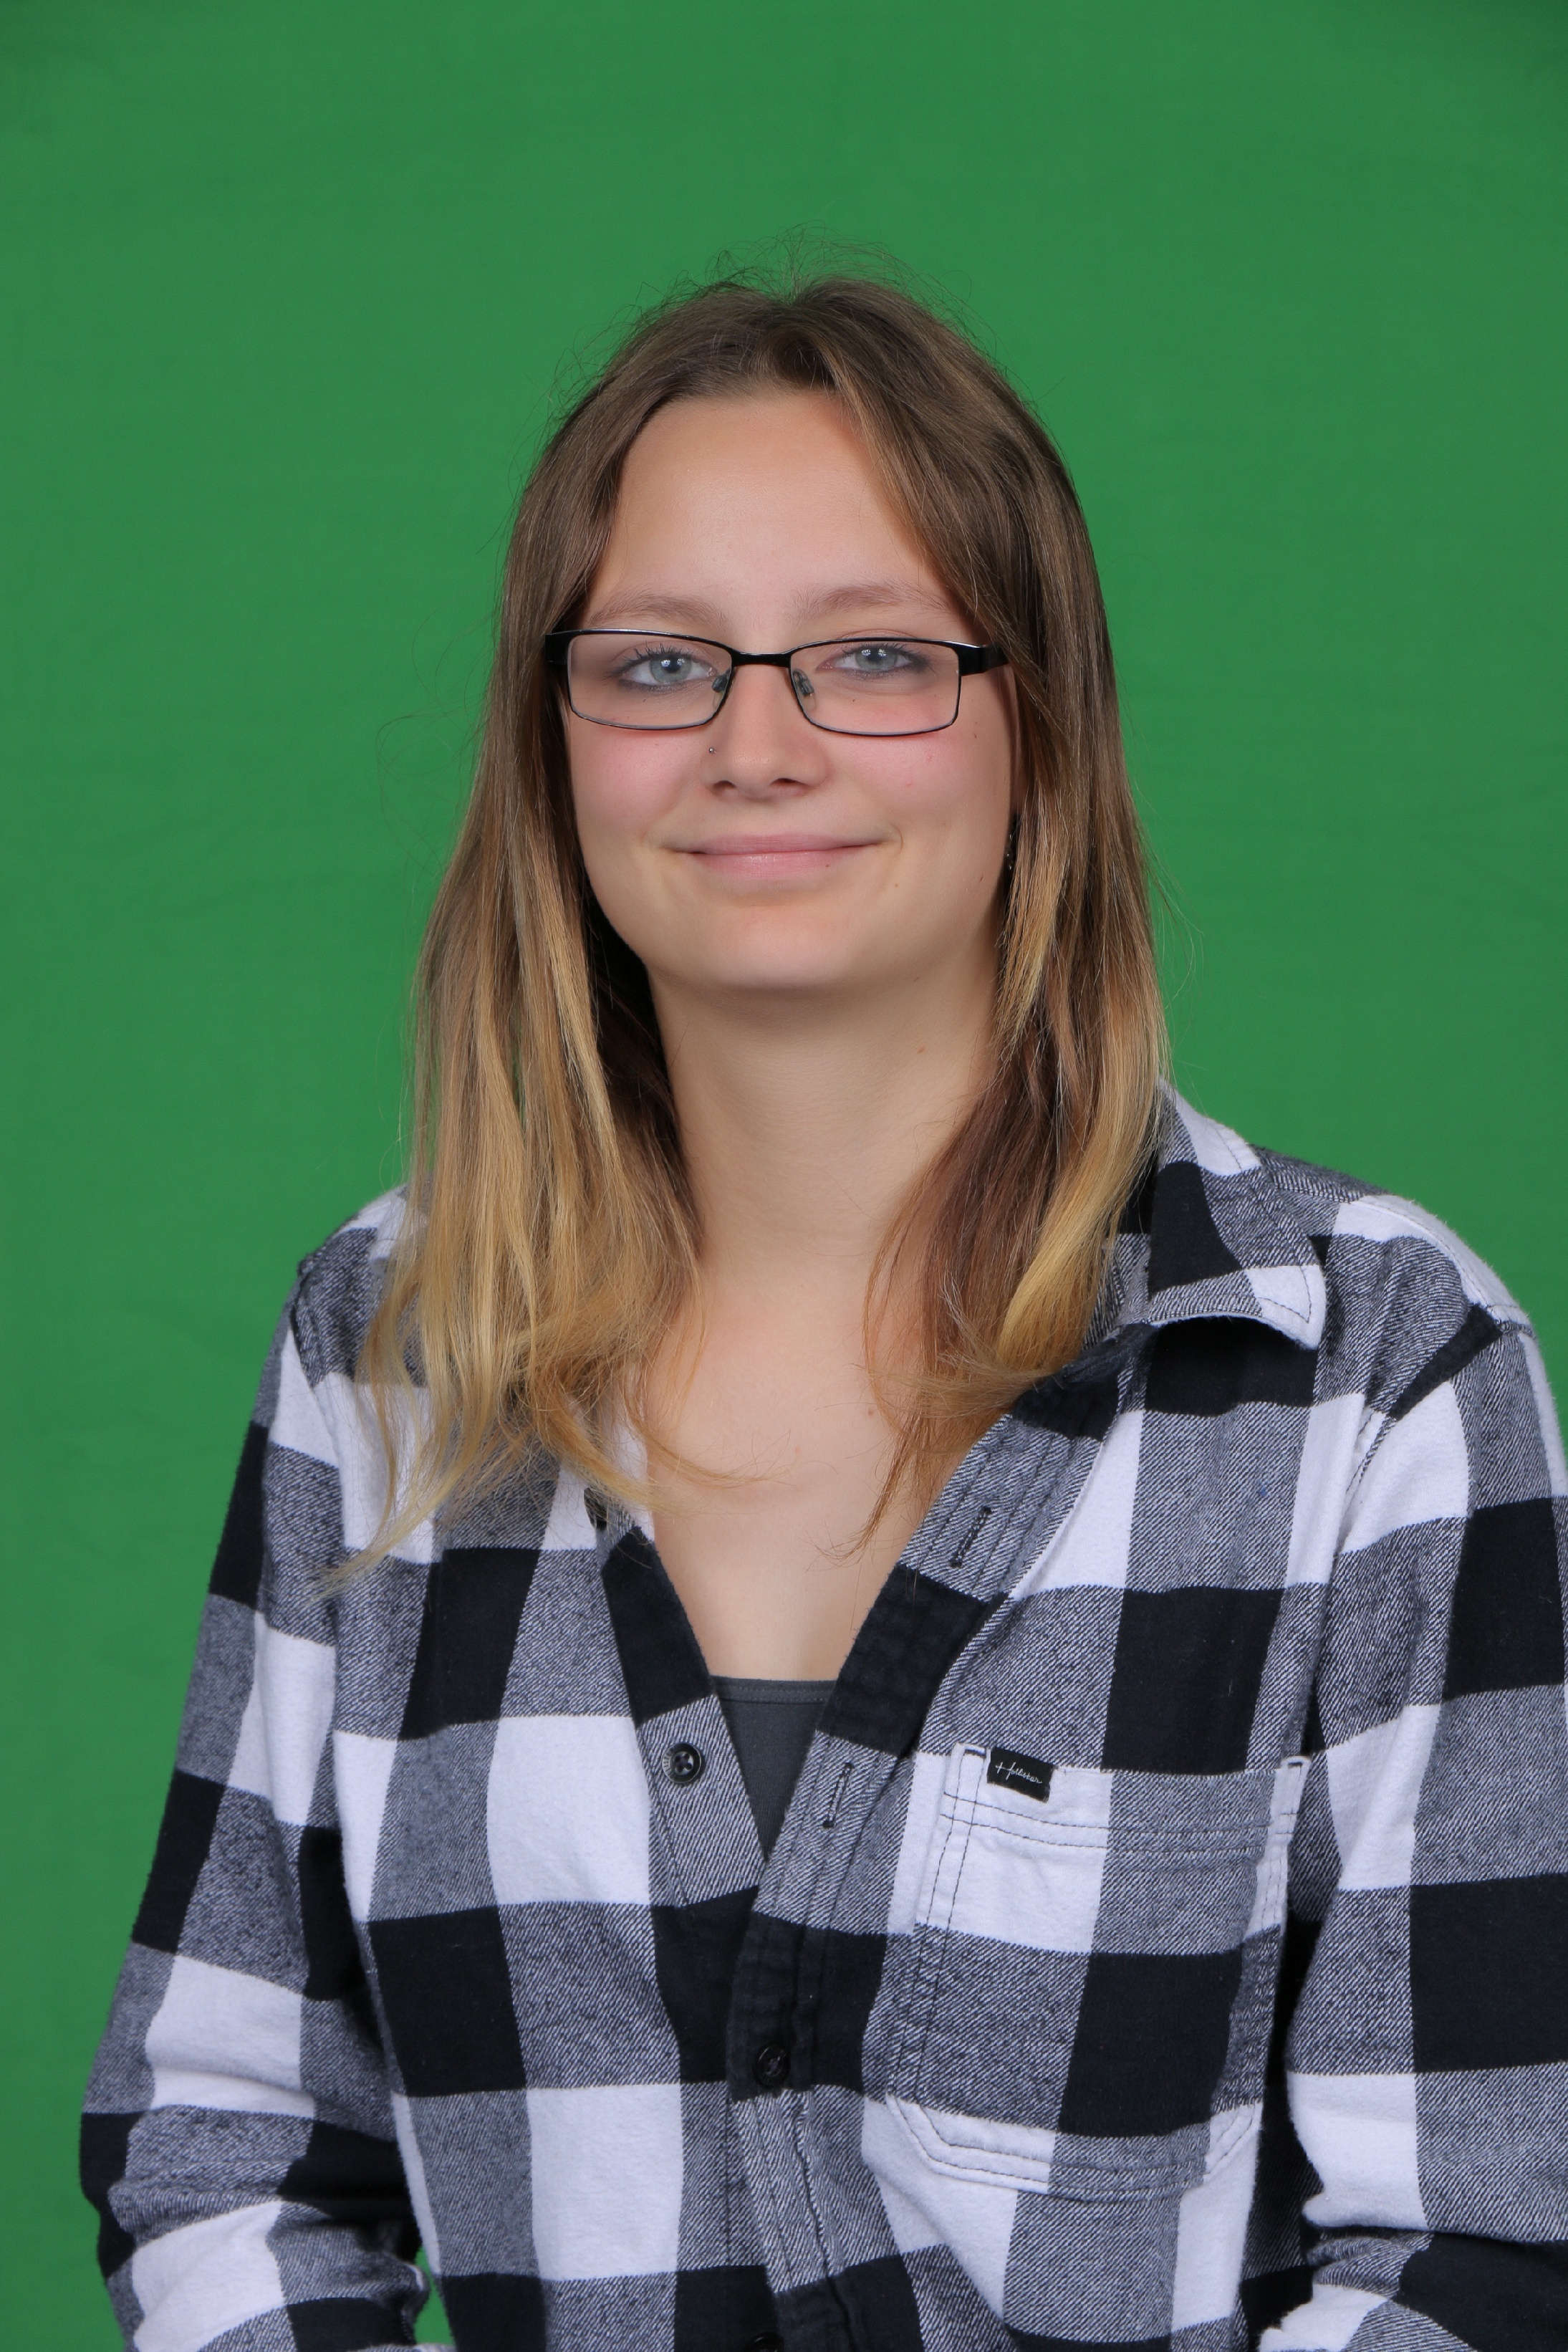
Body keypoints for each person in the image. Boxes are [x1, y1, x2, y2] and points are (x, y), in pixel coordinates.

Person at [82, 269, 1568, 2352]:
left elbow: (1479, 2245)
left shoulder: (1370, 1371)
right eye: (660, 662)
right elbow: (226, 2153)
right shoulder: (390, 1346)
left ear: (1039, 724)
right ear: (555, 745)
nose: (756, 746)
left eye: (875, 656)